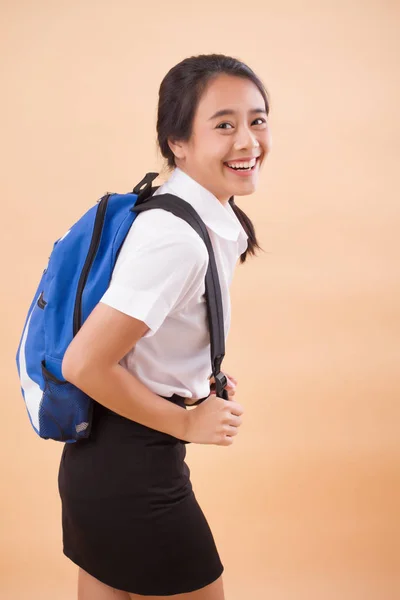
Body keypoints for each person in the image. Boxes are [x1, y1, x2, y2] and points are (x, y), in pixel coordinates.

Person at [59, 53, 271, 600]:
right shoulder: (175, 236)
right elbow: (83, 363)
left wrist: (196, 378)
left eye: (258, 119)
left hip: (106, 462)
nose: (248, 141)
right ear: (177, 141)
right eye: (224, 124)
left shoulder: (190, 212)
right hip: (134, 470)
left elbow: (146, 336)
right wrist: (185, 424)